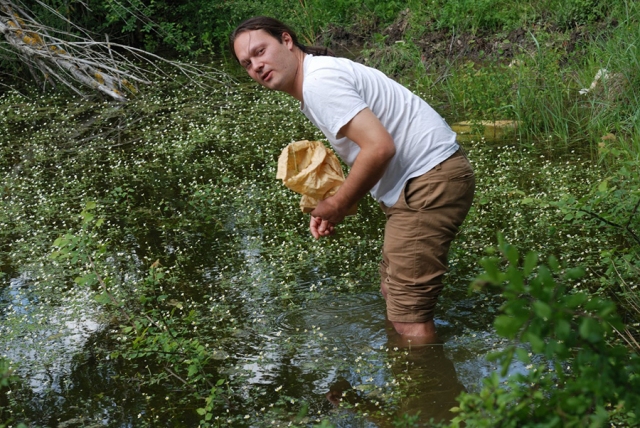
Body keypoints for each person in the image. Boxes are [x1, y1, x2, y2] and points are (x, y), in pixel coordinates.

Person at [230, 16, 475, 344]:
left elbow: (379, 147)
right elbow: (371, 148)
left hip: (428, 180)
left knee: (408, 319)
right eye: (247, 63)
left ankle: (426, 390)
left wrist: (341, 202)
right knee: (393, 291)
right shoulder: (316, 78)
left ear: (286, 41)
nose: (257, 66)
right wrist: (338, 202)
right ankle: (409, 382)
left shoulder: (318, 82)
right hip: (422, 180)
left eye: (261, 51)